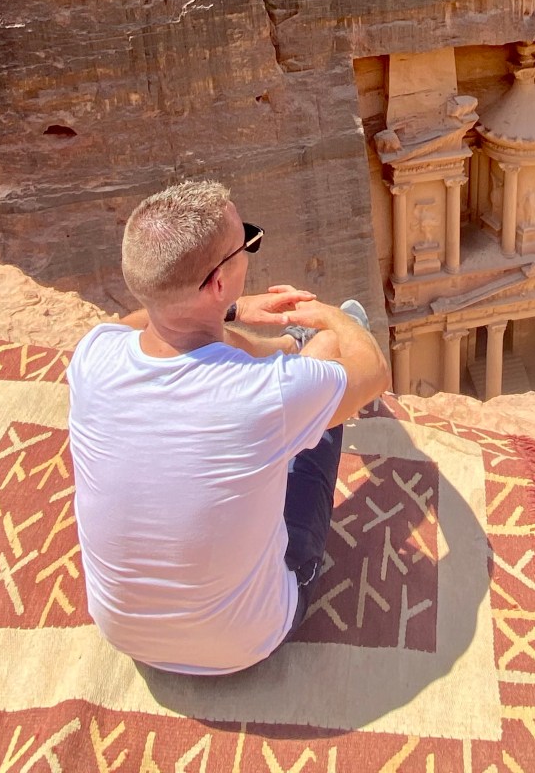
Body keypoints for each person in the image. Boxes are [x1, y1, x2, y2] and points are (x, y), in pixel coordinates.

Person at [67, 180, 390, 675]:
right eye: (248, 244)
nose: (252, 251)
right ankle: (302, 343)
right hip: (247, 642)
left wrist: (231, 310)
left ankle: (290, 346)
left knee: (252, 371)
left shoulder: (91, 357)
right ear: (218, 281)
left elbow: (142, 322)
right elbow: (372, 371)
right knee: (326, 361)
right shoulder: (268, 395)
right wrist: (333, 319)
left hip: (123, 633)